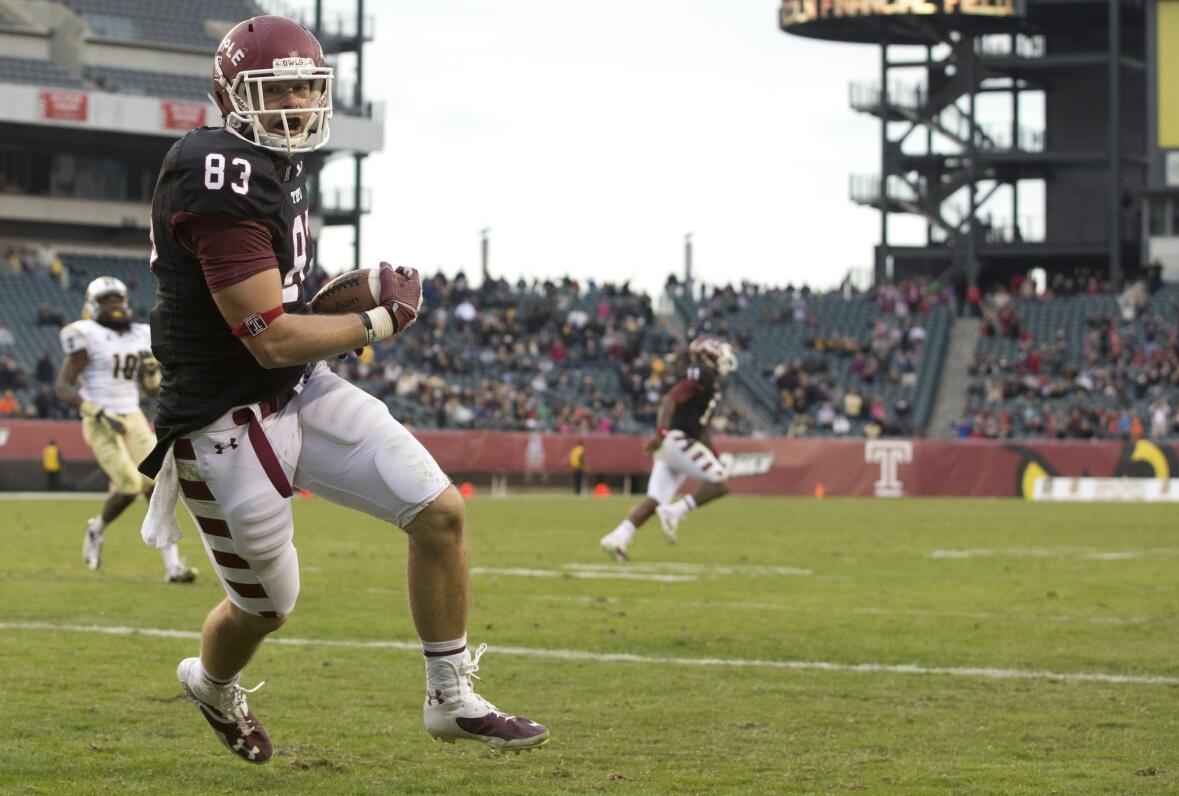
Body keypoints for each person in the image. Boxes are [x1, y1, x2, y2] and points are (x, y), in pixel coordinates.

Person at [139, 15, 546, 765]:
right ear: (233, 94)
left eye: (304, 86)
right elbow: (268, 334)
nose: (294, 103)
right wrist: (377, 319)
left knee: (440, 512)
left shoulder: (275, 162)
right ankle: (210, 682)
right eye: (277, 88)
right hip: (224, 421)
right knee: (266, 607)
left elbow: (286, 319)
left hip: (295, 389)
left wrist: (335, 302)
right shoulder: (217, 170)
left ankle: (451, 696)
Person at [55, 276, 197, 582]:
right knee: (131, 485)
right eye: (107, 301)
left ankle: (173, 565)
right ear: (94, 305)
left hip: (131, 414)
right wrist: (97, 411)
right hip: (99, 417)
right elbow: (63, 386)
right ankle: (97, 528)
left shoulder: (141, 333)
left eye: (118, 299)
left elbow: (150, 387)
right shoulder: (85, 334)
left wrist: (149, 373)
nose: (115, 306)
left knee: (158, 483)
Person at [600, 335, 737, 561]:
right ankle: (675, 511)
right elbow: (670, 400)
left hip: (676, 444)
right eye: (721, 354)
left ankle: (617, 539)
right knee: (720, 482)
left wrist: (713, 454)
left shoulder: (710, 382)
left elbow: (701, 428)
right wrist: (662, 432)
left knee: (656, 498)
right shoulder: (700, 374)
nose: (725, 359)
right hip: (677, 441)